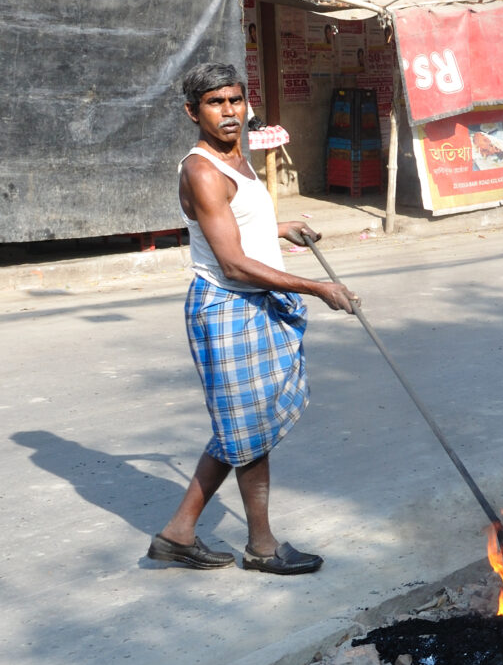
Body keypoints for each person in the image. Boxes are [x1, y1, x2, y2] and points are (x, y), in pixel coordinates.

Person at [150, 63, 357, 575]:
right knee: (248, 433)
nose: (229, 112)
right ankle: (261, 546)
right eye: (216, 103)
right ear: (192, 111)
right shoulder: (202, 169)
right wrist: (317, 287)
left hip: (253, 303)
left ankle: (178, 534)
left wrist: (281, 228)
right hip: (226, 307)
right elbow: (233, 262)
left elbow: (241, 222)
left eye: (236, 101)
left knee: (244, 429)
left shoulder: (238, 157)